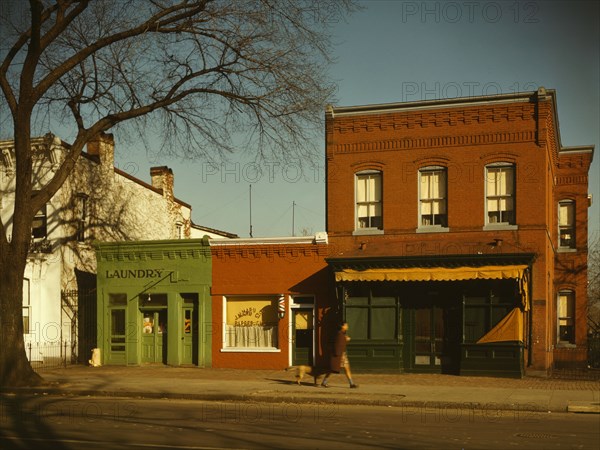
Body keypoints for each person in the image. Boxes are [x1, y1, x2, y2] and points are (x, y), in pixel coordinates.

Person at [321, 322, 358, 388]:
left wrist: (345, 339)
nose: (347, 326)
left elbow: (341, 343)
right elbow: (338, 344)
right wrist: (346, 340)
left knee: (346, 368)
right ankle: (324, 382)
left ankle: (351, 383)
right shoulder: (339, 334)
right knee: (333, 369)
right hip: (339, 355)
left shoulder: (341, 333)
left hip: (342, 354)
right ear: (342, 326)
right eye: (346, 325)